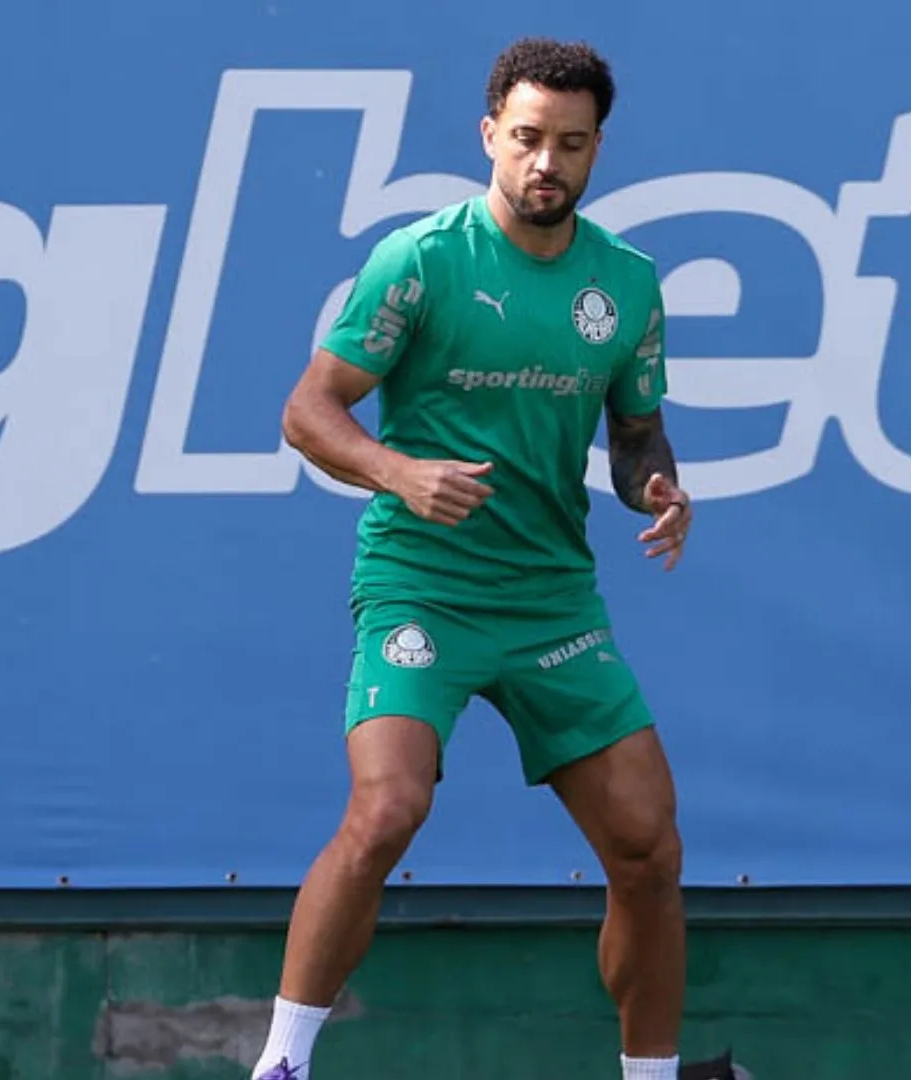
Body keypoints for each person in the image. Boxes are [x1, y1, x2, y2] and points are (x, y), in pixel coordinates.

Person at [256, 36, 738, 1080]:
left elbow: (637, 431)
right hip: (422, 579)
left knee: (650, 850)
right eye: (525, 139)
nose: (544, 164)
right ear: (490, 136)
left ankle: (649, 1077)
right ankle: (283, 1065)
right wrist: (398, 473)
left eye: (569, 144)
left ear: (598, 148)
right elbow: (308, 411)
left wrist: (655, 485)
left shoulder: (629, 284)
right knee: (387, 810)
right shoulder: (421, 261)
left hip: (552, 599)